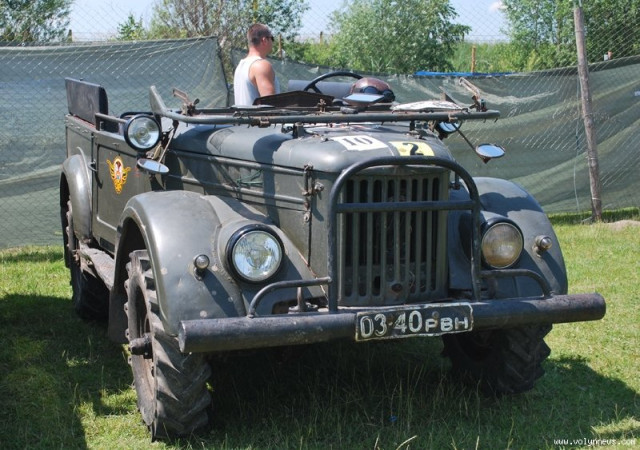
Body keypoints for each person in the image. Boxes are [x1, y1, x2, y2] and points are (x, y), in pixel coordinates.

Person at [233, 23, 280, 105]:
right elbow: (270, 106)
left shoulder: (240, 66)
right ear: (264, 40)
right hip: (258, 115)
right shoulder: (261, 65)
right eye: (272, 38)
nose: (272, 42)